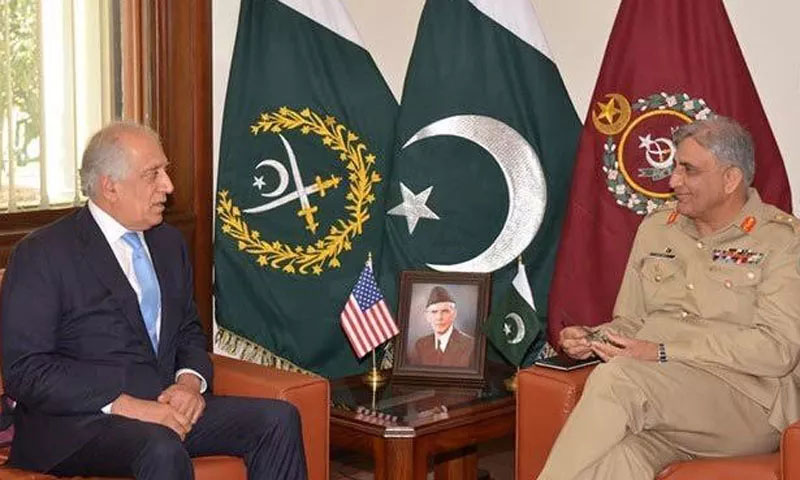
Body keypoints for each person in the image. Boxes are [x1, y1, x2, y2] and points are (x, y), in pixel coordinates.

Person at [0, 122, 307, 480]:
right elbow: (26, 370)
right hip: (79, 424)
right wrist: (130, 406)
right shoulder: (43, 253)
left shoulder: (168, 243)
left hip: (164, 407)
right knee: (160, 446)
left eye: (166, 171)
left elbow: (188, 330)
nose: (168, 186)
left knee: (277, 419)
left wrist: (189, 384)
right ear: (110, 186)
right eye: (153, 174)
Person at [538, 116, 800, 480]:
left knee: (618, 379)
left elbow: (777, 350)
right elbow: (633, 321)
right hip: (665, 398)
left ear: (730, 179)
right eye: (675, 167)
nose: (674, 181)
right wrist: (595, 337)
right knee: (621, 460)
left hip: (746, 405)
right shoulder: (658, 229)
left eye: (688, 170)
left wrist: (665, 351)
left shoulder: (782, 241)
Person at [408, 286, 475, 367]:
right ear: (427, 316)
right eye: (434, 312)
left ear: (454, 314)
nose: (439, 317)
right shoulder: (420, 345)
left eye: (445, 311)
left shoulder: (470, 345)